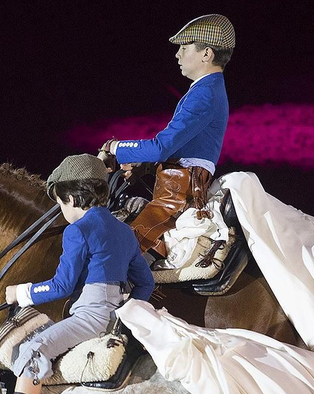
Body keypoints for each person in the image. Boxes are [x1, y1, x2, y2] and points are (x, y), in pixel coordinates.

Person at [0, 154, 155, 394]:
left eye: (61, 203)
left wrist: (20, 292)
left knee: (34, 347)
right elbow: (144, 282)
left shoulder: (78, 230)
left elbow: (62, 287)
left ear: (69, 197)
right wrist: (127, 311)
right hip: (115, 314)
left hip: (90, 315)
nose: (62, 211)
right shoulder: (123, 232)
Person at [100, 13, 234, 256]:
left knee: (118, 253)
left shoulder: (204, 94)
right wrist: (146, 166)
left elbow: (160, 147)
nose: (177, 55)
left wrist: (114, 147)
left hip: (177, 194)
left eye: (184, 47)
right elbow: (180, 151)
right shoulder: (207, 90)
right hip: (177, 184)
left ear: (207, 54)